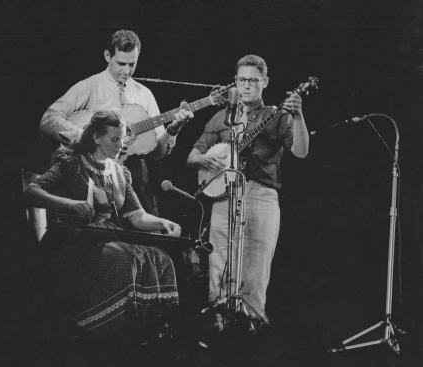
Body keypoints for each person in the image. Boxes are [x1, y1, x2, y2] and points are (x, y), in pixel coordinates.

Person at [25, 110, 182, 343]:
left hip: (108, 238)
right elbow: (32, 191)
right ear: (97, 138)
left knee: (160, 258)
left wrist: (163, 222)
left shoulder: (120, 172)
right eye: (114, 139)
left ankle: (153, 333)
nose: (121, 145)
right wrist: (70, 204)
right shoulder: (71, 163)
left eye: (122, 139)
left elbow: (137, 216)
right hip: (74, 241)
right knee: (128, 259)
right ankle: (114, 335)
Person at [186, 55, 309, 324]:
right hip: (224, 196)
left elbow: (300, 151)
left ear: (264, 82)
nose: (246, 86)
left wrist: (298, 116)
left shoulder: (277, 116)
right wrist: (202, 159)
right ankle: (218, 326)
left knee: (255, 270)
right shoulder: (221, 118)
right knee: (219, 267)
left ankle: (248, 332)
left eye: (253, 80)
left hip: (261, 194)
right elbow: (192, 156)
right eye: (241, 80)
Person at [39, 29, 193, 216]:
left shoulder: (144, 94)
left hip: (132, 182)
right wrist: (88, 137)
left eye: (132, 64)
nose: (126, 71)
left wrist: (174, 129)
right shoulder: (89, 86)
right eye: (121, 63)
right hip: (90, 180)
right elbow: (49, 119)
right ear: (107, 56)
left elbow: (156, 153)